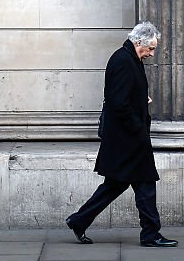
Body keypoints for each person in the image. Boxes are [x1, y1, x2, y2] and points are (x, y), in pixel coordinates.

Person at [65, 22, 178, 248]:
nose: (152, 53)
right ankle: (150, 234)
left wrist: (140, 100)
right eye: (151, 48)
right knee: (144, 184)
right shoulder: (123, 61)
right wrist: (137, 129)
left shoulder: (129, 58)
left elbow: (124, 96)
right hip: (129, 138)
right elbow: (119, 103)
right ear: (139, 43)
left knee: (116, 184)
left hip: (126, 137)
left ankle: (79, 220)